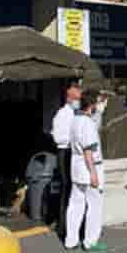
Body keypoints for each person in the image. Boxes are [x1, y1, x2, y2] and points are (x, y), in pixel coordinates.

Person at [65, 89, 108, 252]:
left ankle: (71, 240)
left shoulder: (76, 119)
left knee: (75, 203)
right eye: (97, 102)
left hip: (76, 166)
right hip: (90, 165)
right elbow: (88, 150)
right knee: (94, 205)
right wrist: (93, 174)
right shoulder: (88, 123)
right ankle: (90, 242)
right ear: (92, 104)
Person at [52, 80, 82, 240]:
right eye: (76, 90)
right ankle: (63, 227)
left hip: (76, 152)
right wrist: (74, 138)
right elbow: (58, 137)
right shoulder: (62, 114)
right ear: (68, 94)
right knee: (67, 188)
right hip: (65, 152)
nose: (79, 94)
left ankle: (75, 225)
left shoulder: (77, 114)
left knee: (76, 189)